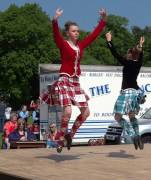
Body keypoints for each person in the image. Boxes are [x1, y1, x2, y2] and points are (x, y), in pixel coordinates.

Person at [40, 8, 107, 153]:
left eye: (78, 31)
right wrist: (55, 20)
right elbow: (56, 35)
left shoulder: (80, 46)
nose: (77, 33)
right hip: (65, 80)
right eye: (74, 31)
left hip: (75, 82)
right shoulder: (63, 44)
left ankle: (70, 135)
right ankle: (59, 139)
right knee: (68, 111)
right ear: (68, 33)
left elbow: (93, 36)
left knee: (86, 112)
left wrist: (103, 21)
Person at [105, 32, 145, 150]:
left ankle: (133, 136)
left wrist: (109, 41)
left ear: (130, 55)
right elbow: (141, 55)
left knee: (118, 117)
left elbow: (115, 53)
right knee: (132, 116)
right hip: (134, 93)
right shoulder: (138, 64)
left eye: (127, 53)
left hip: (126, 92)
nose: (126, 55)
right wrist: (141, 46)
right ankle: (137, 135)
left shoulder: (126, 62)